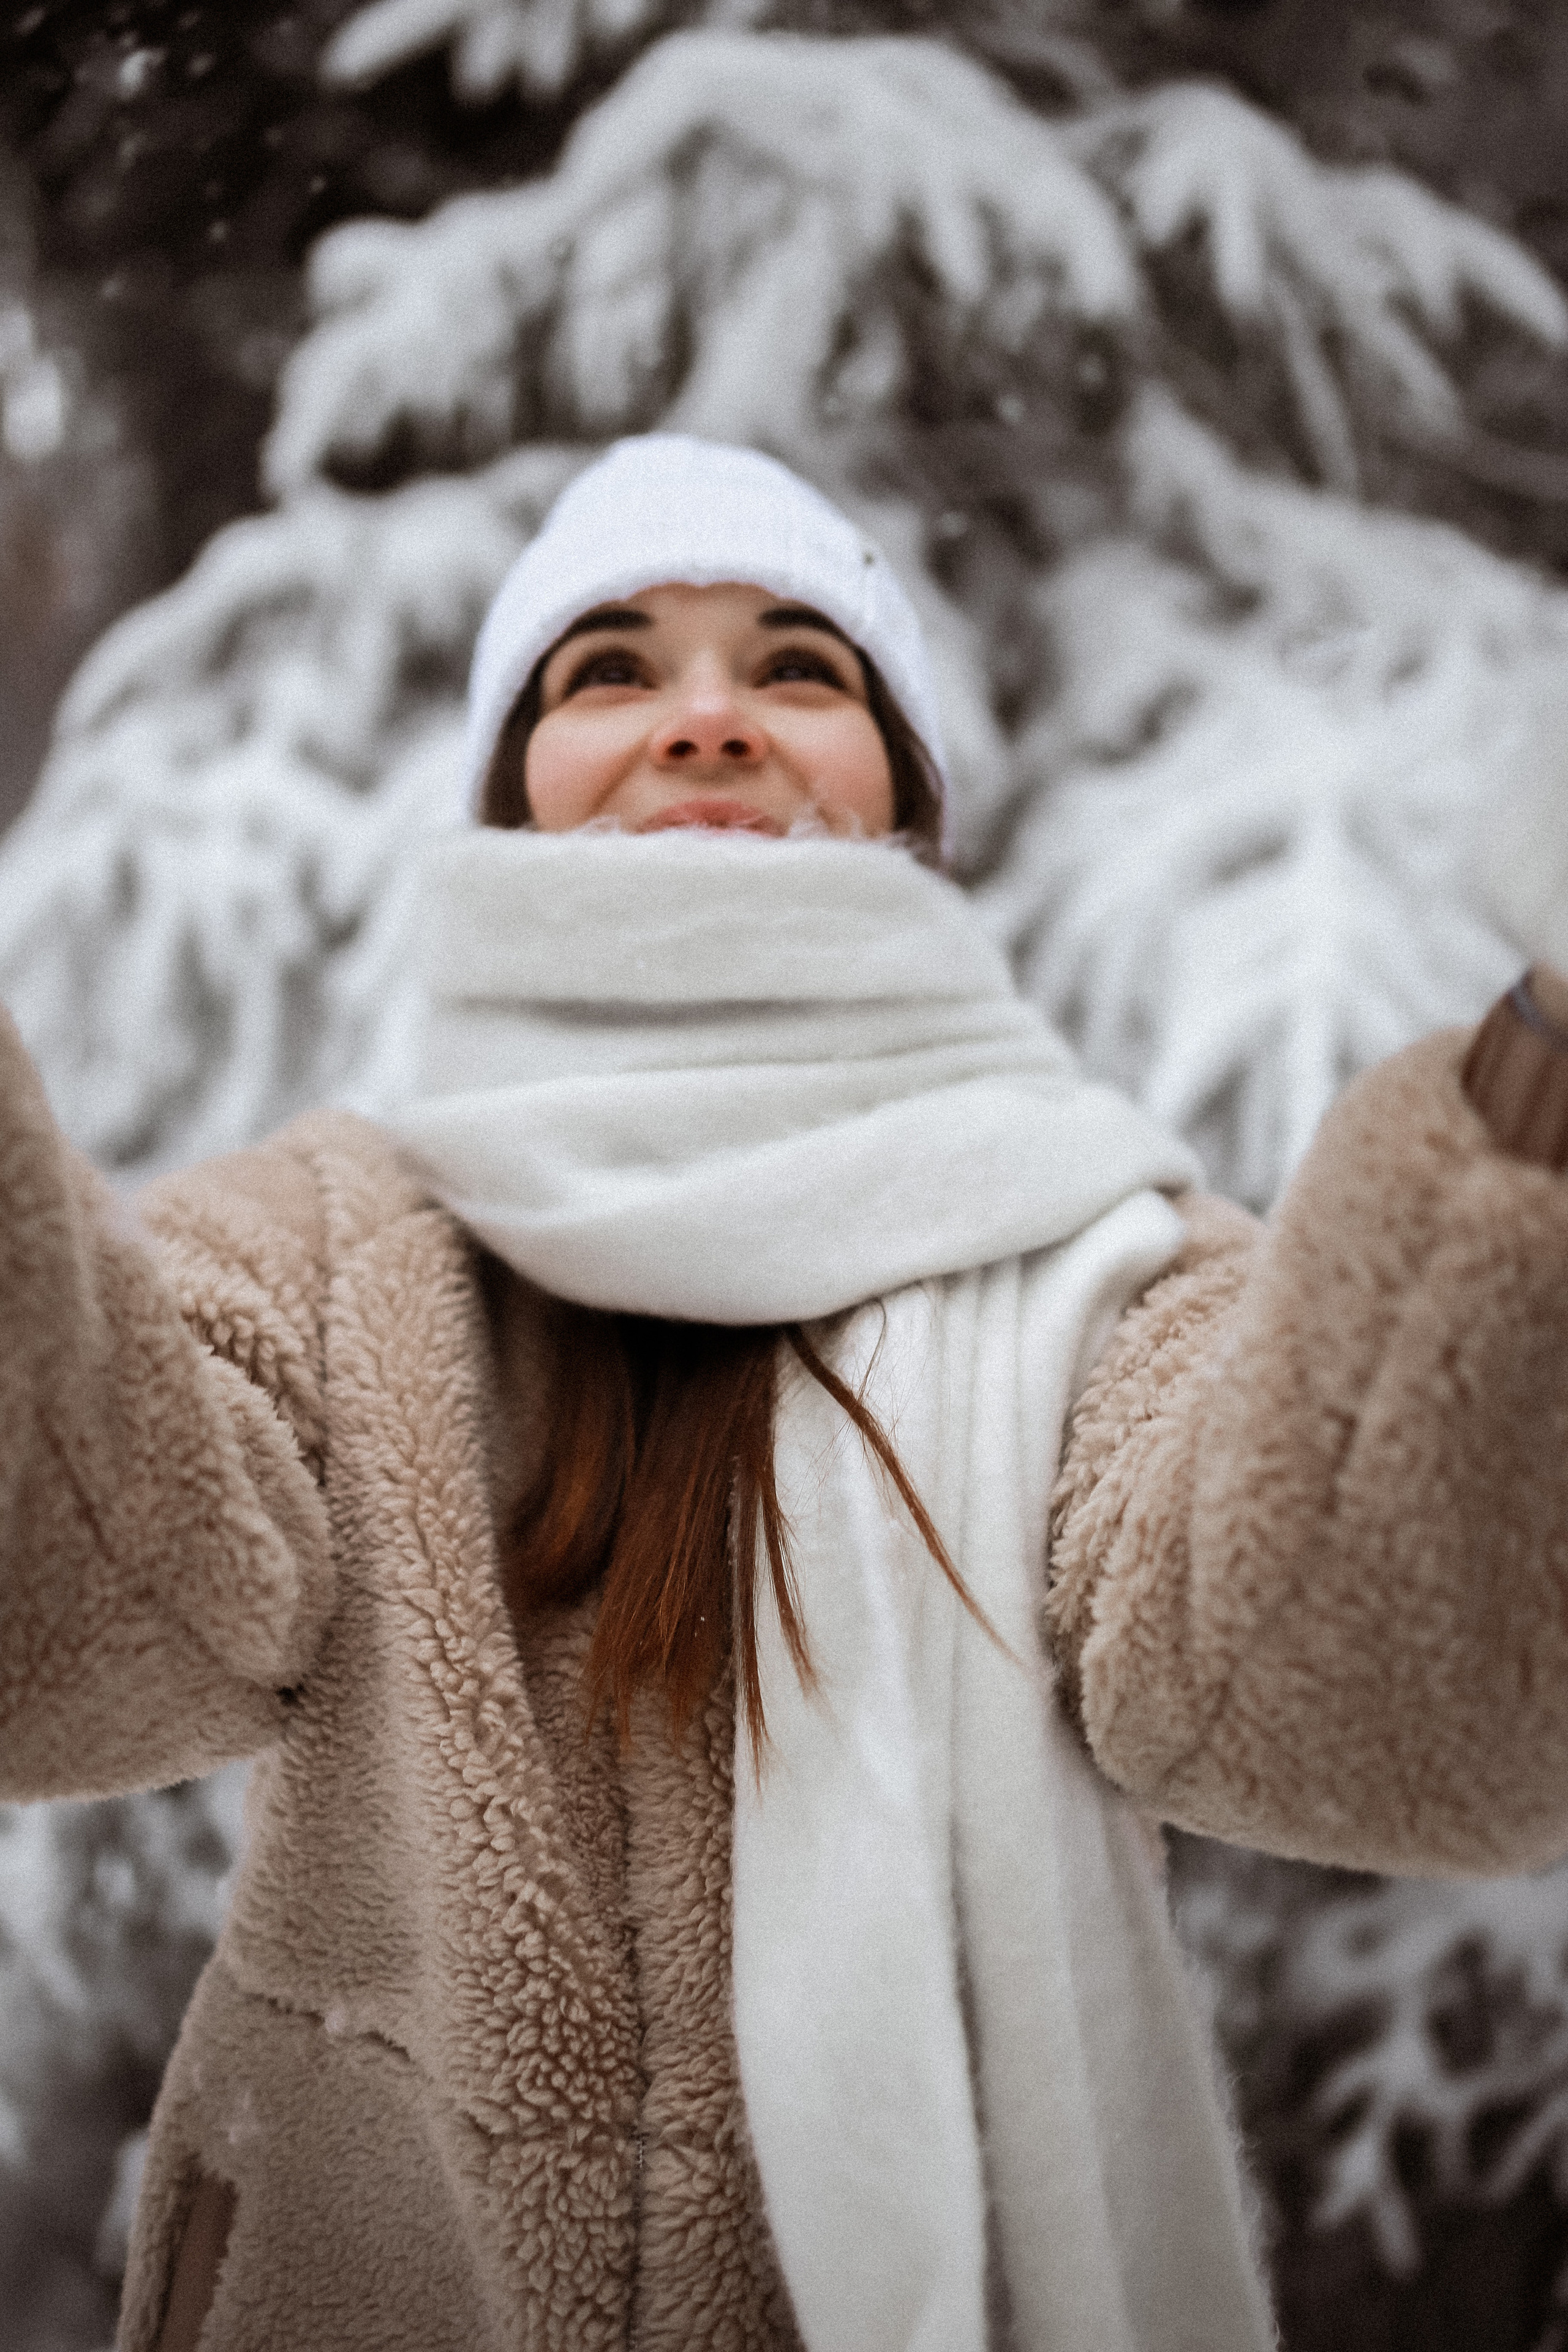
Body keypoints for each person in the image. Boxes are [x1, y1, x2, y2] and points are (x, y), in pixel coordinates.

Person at [3, 434, 1567, 2352]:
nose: (709, 719)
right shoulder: (329, 1246)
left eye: (799, 668)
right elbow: (69, 1627)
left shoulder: (1097, 1271)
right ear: (516, 797)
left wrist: (1544, 1074)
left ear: (907, 807)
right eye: (612, 672)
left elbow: (1354, 1691)